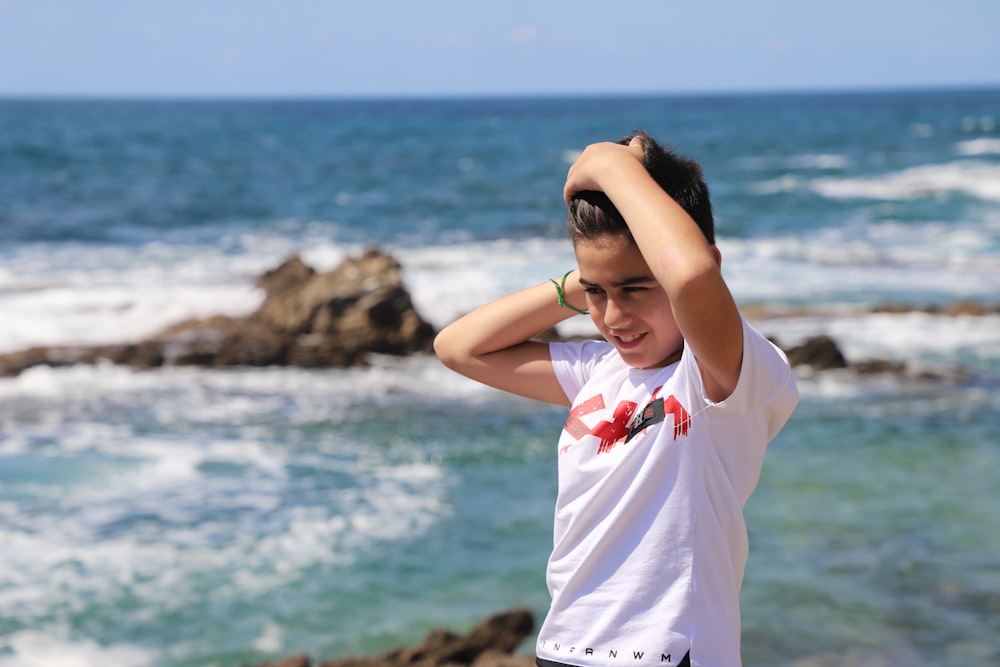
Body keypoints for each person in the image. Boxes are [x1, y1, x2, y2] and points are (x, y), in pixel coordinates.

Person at [434, 131, 799, 667]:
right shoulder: (597, 371)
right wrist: (578, 285)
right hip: (562, 648)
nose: (613, 319)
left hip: (668, 654)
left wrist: (606, 164)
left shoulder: (724, 378)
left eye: (636, 289)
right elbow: (458, 347)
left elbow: (693, 274)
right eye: (598, 295)